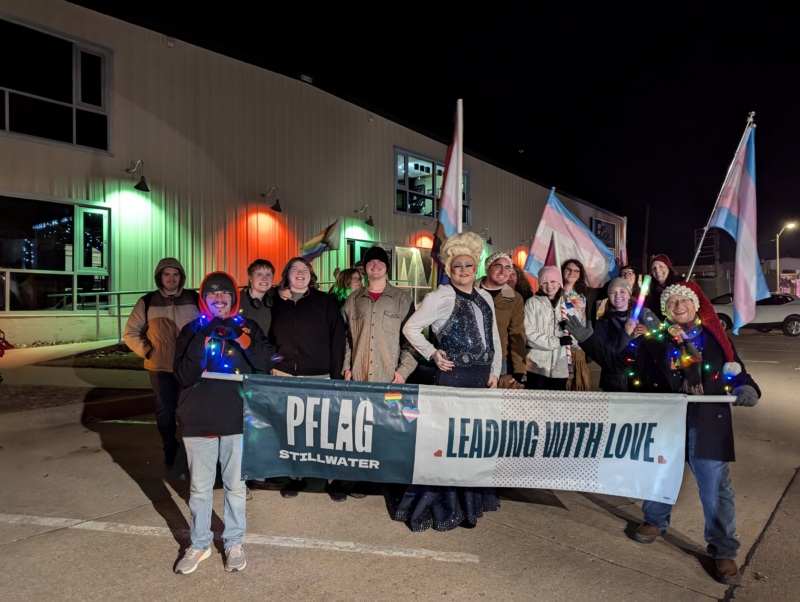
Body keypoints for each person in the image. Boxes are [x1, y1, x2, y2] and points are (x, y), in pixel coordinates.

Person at [610, 281, 759, 586]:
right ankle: (655, 520)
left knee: (715, 487)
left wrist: (746, 386)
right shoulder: (655, 338)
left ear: (695, 305)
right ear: (665, 310)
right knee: (660, 474)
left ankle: (723, 549)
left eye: (684, 301)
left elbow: (735, 368)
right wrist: (636, 338)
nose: (679, 306)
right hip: (667, 420)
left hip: (707, 421)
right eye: (672, 302)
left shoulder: (715, 338)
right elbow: (625, 367)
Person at [395, 231, 502, 531]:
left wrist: (495, 369)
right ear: (449, 269)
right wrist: (433, 354)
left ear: (475, 267)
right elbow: (411, 328)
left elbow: (493, 337)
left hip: (480, 380)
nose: (464, 271)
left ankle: (469, 504)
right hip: (452, 378)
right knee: (448, 442)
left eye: (469, 266)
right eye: (458, 266)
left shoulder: (485, 298)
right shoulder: (439, 296)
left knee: (471, 443)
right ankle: (442, 506)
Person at [172, 271, 275, 575]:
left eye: (225, 294)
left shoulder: (248, 326)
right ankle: (200, 543)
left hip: (237, 418)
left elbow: (264, 362)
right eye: (212, 294)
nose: (219, 299)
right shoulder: (190, 330)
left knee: (235, 485)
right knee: (200, 488)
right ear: (203, 298)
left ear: (234, 297)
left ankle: (233, 542)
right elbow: (183, 376)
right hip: (198, 420)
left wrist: (238, 336)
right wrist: (204, 336)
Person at [269, 257, 347, 501]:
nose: (300, 274)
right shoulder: (275, 301)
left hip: (319, 375)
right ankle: (296, 476)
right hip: (283, 374)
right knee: (293, 429)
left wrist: (336, 375)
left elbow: (337, 338)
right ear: (287, 274)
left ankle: (332, 478)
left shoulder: (325, 302)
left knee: (325, 429)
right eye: (295, 270)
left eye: (305, 270)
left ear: (311, 275)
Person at [342, 244, 418, 497]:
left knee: (389, 429)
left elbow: (413, 341)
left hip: (390, 378)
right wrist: (347, 367)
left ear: (387, 267)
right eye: (371, 262)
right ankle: (366, 478)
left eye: (381, 262)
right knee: (363, 428)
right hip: (360, 377)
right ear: (364, 268)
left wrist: (402, 372)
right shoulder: (353, 300)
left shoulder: (402, 299)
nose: (375, 266)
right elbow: (347, 339)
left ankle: (390, 478)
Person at [123, 258, 199, 467]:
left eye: (175, 274)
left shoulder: (194, 298)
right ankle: (170, 447)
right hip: (160, 368)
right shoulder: (147, 302)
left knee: (190, 412)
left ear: (181, 277)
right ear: (160, 277)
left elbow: (208, 325)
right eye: (167, 274)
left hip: (188, 367)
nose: (171, 278)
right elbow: (131, 333)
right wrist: (148, 351)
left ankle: (192, 450)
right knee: (165, 412)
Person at [566, 277, 660, 392]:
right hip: (616, 383)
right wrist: (626, 334)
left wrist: (649, 331)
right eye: (613, 292)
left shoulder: (646, 314)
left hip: (645, 379)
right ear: (608, 297)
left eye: (622, 291)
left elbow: (661, 341)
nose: (617, 295)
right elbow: (607, 357)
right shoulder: (603, 322)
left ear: (629, 294)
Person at [478, 252, 526, 389]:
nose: (503, 271)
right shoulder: (471, 291)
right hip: (470, 359)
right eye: (498, 266)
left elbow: (517, 334)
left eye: (507, 268)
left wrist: (518, 370)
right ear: (488, 268)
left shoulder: (514, 298)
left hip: (500, 362)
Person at [523, 265, 576, 390]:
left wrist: (571, 331)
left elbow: (577, 340)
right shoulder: (532, 303)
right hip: (537, 365)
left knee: (556, 405)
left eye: (553, 281)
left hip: (560, 364)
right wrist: (557, 341)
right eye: (545, 282)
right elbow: (528, 333)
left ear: (559, 283)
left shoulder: (568, 304)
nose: (549, 286)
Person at [239, 259, 275, 335]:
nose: (264, 278)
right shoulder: (237, 300)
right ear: (250, 278)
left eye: (268, 274)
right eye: (259, 274)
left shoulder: (274, 297)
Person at [644, 254, 679, 320]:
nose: (657, 271)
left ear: (668, 268)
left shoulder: (679, 286)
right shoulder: (651, 291)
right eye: (654, 268)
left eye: (661, 266)